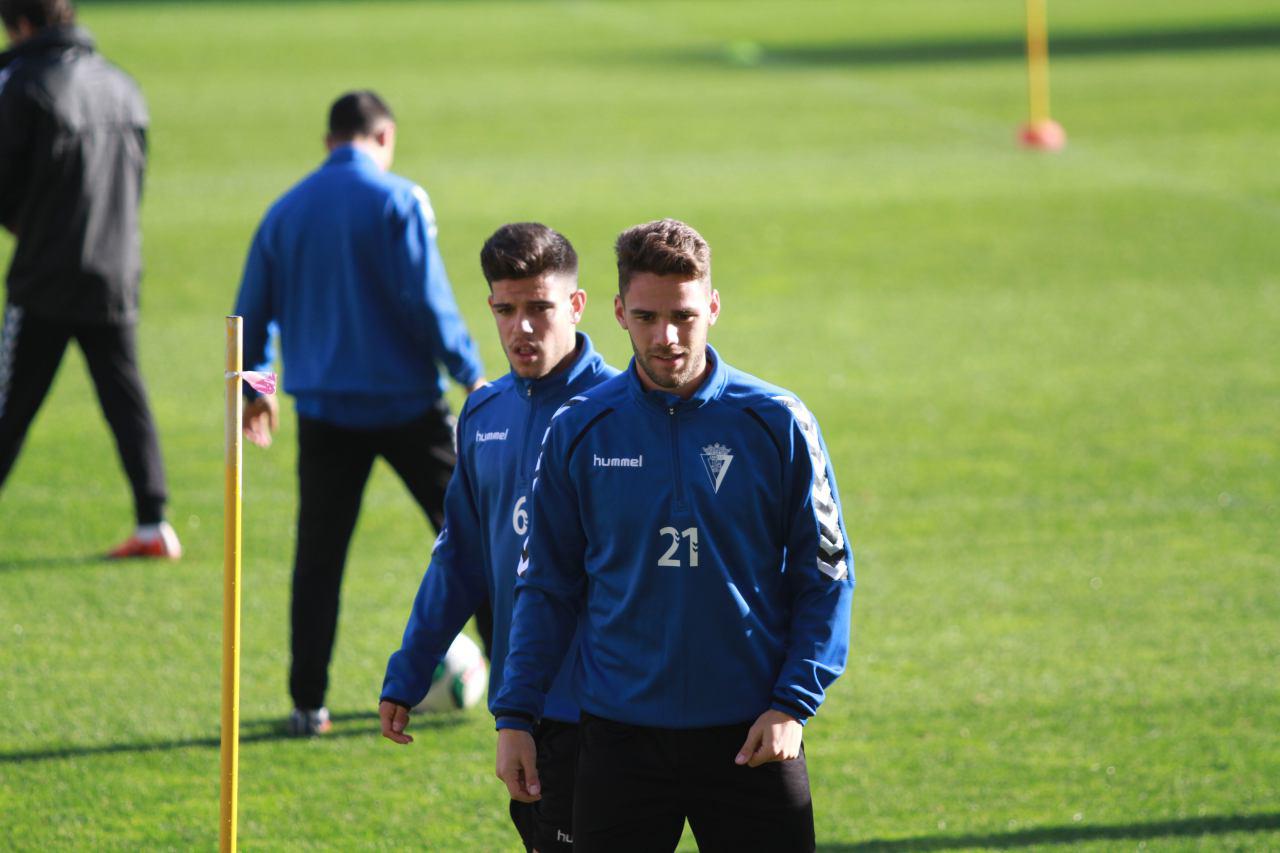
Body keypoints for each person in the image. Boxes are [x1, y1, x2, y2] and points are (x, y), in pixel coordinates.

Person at [493, 219, 855, 852]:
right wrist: (515, 716)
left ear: (712, 306)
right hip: (617, 740)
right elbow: (545, 586)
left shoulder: (777, 422)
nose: (666, 337)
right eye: (646, 316)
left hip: (753, 737)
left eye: (684, 316)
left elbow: (826, 575)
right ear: (617, 313)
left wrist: (793, 703)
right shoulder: (580, 430)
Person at [232, 90, 490, 737]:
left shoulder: (284, 211)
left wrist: (257, 391)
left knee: (319, 558)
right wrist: (469, 373)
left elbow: (249, 317)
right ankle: (522, 685)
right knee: (479, 536)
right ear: (384, 137)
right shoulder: (399, 199)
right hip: (410, 406)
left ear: (328, 142)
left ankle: (307, 702)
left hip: (325, 414)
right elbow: (429, 301)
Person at [380, 222, 618, 852]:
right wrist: (409, 667)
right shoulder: (484, 415)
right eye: (505, 310)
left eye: (539, 307)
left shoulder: (624, 411)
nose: (522, 327)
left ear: (575, 304)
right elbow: (460, 556)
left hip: (612, 707)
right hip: (527, 706)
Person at [0, 0, 180, 558]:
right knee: (125, 398)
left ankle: (154, 524)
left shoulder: (23, 81)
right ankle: (155, 523)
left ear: (21, 24)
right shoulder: (121, 84)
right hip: (114, 268)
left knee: (11, 400)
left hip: (48, 273)